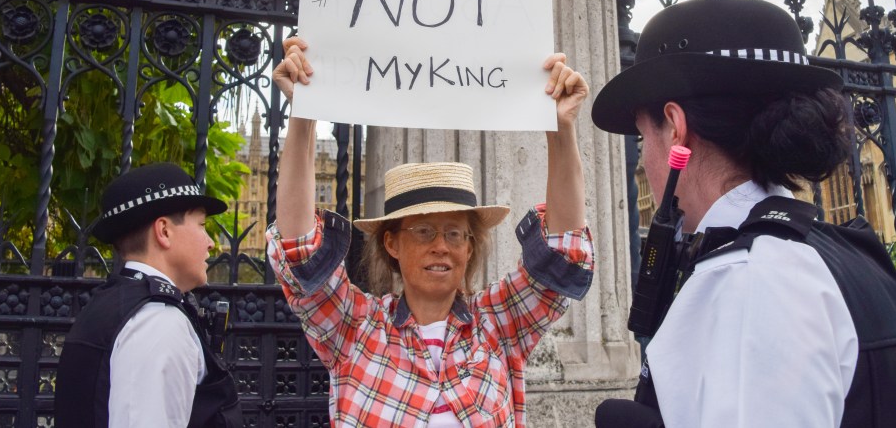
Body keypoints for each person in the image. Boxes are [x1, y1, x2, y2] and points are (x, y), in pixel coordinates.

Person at [591, 0, 896, 427]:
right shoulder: (836, 252)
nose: (643, 164)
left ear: (675, 129)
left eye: (643, 140)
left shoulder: (747, 278)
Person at [266, 36, 594, 427]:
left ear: (470, 248)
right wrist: (304, 114)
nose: (441, 246)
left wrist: (561, 129)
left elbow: (563, 251)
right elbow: (299, 248)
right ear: (392, 243)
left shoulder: (498, 323)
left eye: (455, 234)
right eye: (423, 232)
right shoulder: (353, 327)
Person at [54, 163, 242, 428]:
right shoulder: (157, 323)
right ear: (164, 231)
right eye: (201, 225)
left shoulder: (111, 305)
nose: (211, 242)